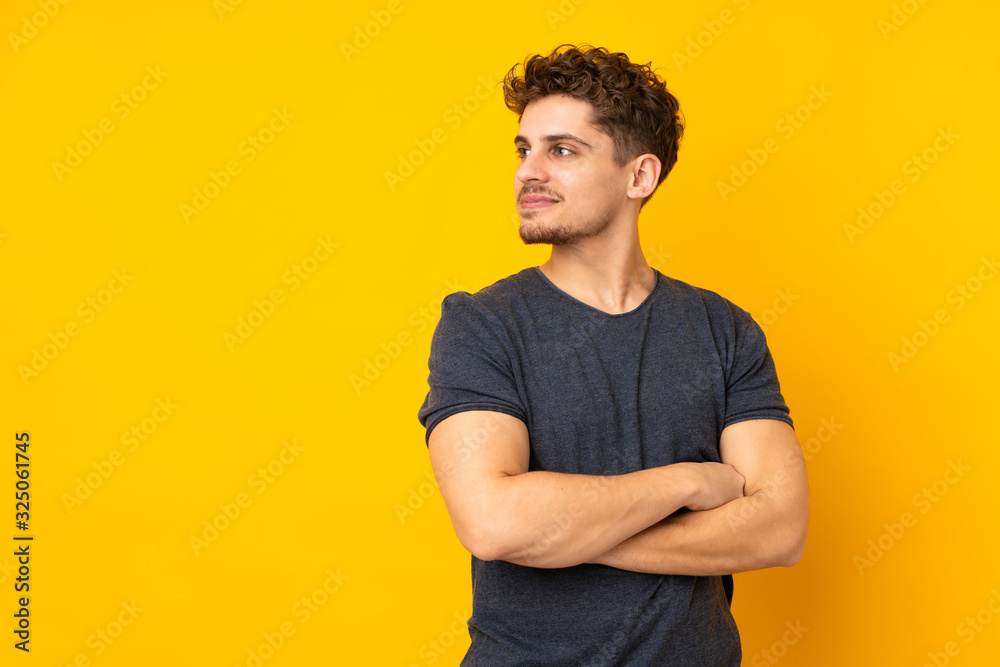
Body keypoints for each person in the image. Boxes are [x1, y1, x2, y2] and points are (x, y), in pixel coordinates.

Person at [416, 43, 809, 666]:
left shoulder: (724, 329)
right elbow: (493, 523)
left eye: (562, 151)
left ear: (639, 177)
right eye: (524, 149)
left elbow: (780, 530)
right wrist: (689, 481)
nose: (528, 172)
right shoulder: (481, 324)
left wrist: (563, 535)